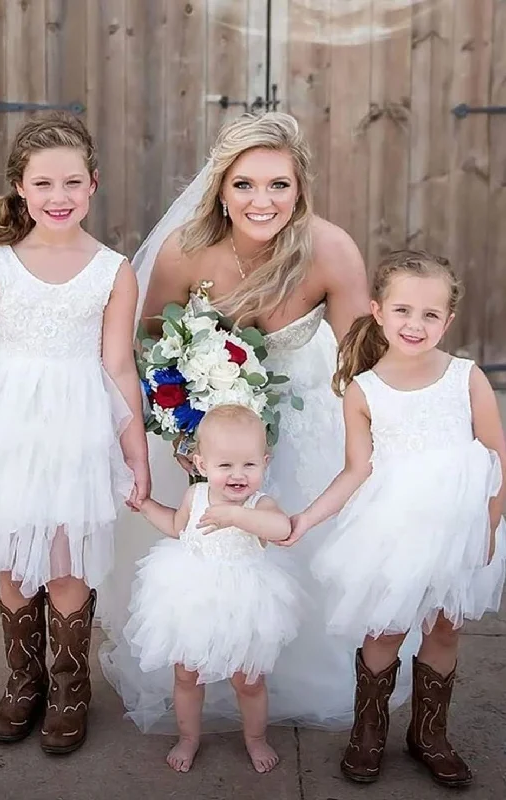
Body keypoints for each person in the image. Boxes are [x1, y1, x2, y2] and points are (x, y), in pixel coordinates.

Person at [99, 112, 417, 730]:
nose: (261, 200)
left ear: (301, 189)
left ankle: (293, 672)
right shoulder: (186, 249)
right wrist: (184, 411)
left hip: (304, 413)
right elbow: (149, 341)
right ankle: (207, 673)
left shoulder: (329, 248)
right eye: (244, 184)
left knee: (298, 544)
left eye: (279, 185)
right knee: (210, 548)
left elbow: (361, 361)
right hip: (210, 430)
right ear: (220, 188)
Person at [0, 114, 149, 754]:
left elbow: (117, 365)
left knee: (64, 562)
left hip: (78, 430)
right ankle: (22, 680)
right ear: (21, 188)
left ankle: (68, 688)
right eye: (45, 183)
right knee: (14, 561)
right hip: (11, 429)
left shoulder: (113, 270)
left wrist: (134, 449)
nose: (60, 197)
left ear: (94, 185)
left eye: (73, 183)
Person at [286, 250, 506, 787]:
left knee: (446, 626)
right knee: (385, 630)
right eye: (404, 310)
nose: (417, 324)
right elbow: (355, 471)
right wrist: (306, 519)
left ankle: (430, 734)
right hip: (394, 530)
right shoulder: (365, 389)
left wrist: (490, 528)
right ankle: (369, 731)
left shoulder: (465, 377)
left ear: (448, 321)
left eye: (431, 315)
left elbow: (498, 457)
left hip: (460, 529)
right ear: (378, 311)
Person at [126, 404, 302, 773]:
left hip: (244, 602)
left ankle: (255, 737)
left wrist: (238, 516)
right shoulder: (196, 497)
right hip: (193, 597)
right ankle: (188, 736)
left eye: (249, 465)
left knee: (249, 680)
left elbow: (282, 529)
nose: (238, 475)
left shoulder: (260, 504)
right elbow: (177, 527)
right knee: (186, 675)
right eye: (225, 466)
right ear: (202, 465)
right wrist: (145, 506)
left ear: (264, 463)